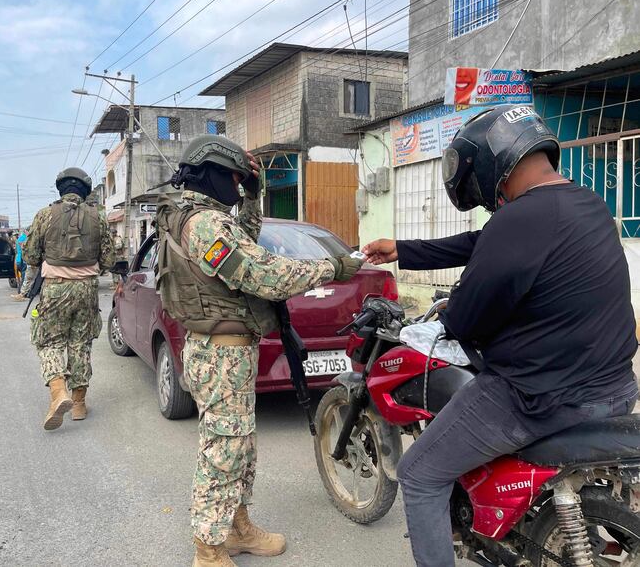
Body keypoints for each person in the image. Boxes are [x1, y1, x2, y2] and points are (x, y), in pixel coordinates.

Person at [362, 105, 638, 567]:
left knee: (420, 472)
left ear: (492, 164)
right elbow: (485, 243)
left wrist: (456, 305)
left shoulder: (519, 220)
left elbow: (466, 323)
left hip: (539, 399)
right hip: (613, 387)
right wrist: (403, 251)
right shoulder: (585, 202)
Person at [155, 135, 363, 567]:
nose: (238, 183)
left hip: (228, 351)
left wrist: (252, 196)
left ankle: (237, 527)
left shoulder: (209, 219)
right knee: (224, 447)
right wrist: (333, 265)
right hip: (219, 354)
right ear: (212, 172)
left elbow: (244, 242)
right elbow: (264, 274)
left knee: (240, 444)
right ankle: (208, 548)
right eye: (234, 177)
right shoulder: (204, 224)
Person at [23, 167, 114, 431]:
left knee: (49, 341)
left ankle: (57, 392)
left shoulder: (44, 215)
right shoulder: (99, 217)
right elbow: (108, 260)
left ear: (60, 189)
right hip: (87, 289)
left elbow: (30, 256)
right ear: (85, 191)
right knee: (80, 344)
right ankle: (79, 404)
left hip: (55, 288)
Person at [11, 230, 28, 302]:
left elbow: (17, 251)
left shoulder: (19, 239)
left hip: (18, 260)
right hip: (23, 260)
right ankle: (22, 294)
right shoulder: (26, 239)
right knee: (25, 277)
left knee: (21, 277)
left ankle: (20, 292)